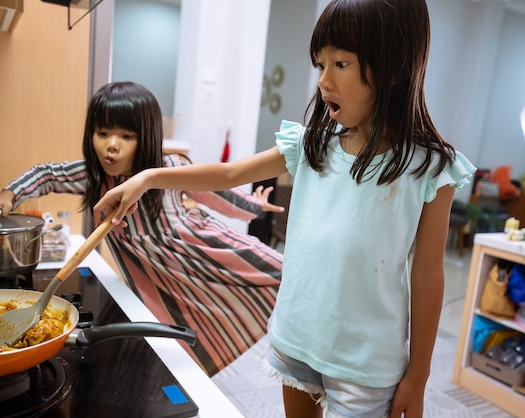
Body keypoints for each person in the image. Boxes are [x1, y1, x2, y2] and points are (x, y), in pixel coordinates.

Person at [93, 1, 477, 417]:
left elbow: (426, 275)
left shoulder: (429, 168)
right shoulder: (312, 144)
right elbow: (228, 173)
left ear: (393, 68)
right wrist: (147, 177)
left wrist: (418, 376)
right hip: (297, 340)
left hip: (366, 363)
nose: (324, 81)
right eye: (320, 64)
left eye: (341, 64)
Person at [0, 81, 284, 376]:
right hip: (151, 274)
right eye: (102, 133)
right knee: (178, 338)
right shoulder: (93, 175)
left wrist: (253, 206)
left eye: (127, 136)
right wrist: (10, 193)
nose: (112, 145)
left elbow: (215, 191)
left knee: (281, 279)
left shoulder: (169, 167)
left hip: (198, 254)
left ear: (147, 138)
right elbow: (46, 174)